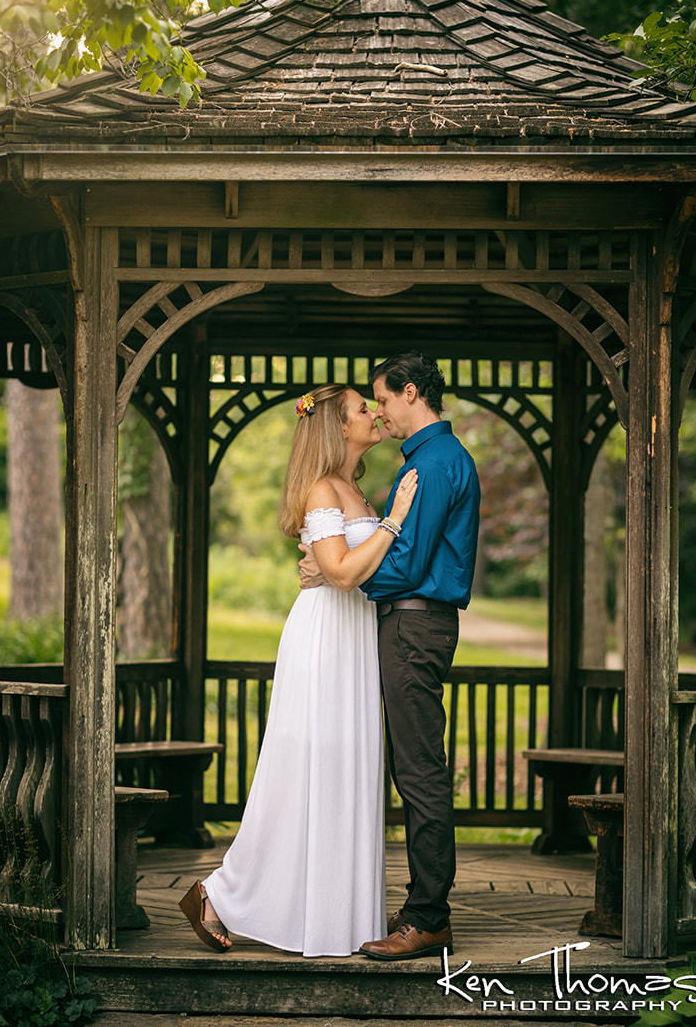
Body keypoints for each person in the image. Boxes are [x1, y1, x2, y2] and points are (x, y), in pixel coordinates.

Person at [178, 383, 417, 958]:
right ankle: (217, 893)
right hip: (325, 639)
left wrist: (373, 536)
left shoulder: (355, 487)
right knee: (301, 771)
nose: (375, 414)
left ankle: (336, 910)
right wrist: (396, 520)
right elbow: (338, 573)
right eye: (364, 409)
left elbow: (348, 566)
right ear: (338, 427)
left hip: (355, 638)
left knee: (346, 771)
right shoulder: (322, 488)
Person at [300, 351, 480, 961]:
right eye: (368, 406)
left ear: (409, 393)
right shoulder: (432, 459)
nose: (379, 413)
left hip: (412, 627)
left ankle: (428, 917)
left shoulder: (431, 463)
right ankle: (419, 908)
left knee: (421, 772)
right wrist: (336, 566)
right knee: (411, 767)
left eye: (382, 400)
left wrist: (335, 574)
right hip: (411, 627)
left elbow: (406, 564)